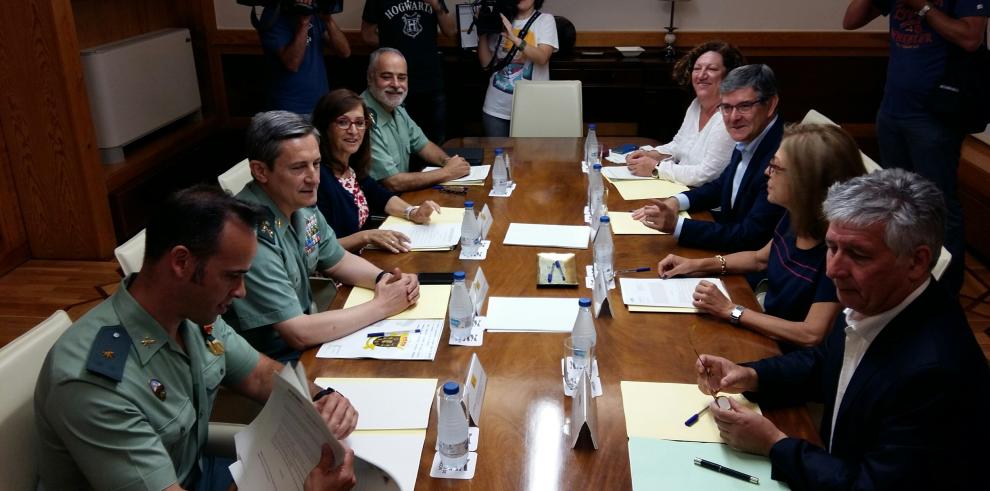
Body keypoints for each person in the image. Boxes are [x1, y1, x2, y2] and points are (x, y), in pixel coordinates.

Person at [34, 186, 358, 491]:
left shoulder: (190, 313)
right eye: (232, 276)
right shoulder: (96, 382)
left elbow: (259, 375)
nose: (242, 292)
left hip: (201, 471)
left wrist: (320, 398)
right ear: (181, 262)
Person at [695, 169, 989, 490]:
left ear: (917, 262)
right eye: (832, 247)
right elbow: (826, 362)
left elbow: (868, 484)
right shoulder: (876, 299)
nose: (833, 270)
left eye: (858, 255)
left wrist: (774, 444)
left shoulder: (936, 373)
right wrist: (752, 376)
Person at [226, 111, 420, 361]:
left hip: (311, 338)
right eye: (298, 167)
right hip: (272, 362)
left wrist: (386, 280)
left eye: (316, 164)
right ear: (261, 171)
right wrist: (382, 305)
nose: (314, 178)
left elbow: (338, 260)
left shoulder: (300, 202)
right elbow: (297, 332)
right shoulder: (248, 233)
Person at [658, 124, 866, 348]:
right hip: (762, 326)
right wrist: (696, 265)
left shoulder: (837, 249)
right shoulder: (796, 213)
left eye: (775, 166)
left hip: (784, 354)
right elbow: (760, 258)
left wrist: (731, 311)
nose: (767, 172)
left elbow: (811, 334)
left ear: (805, 181)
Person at [843, 0, 988, 294]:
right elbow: (851, 20)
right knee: (894, 201)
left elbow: (971, 38)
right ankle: (903, 281)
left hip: (935, 115)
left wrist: (922, 6)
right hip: (893, 108)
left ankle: (941, 293)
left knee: (937, 205)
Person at [632, 64, 786, 252]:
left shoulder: (782, 157)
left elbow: (751, 237)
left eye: (744, 106)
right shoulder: (752, 133)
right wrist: (676, 201)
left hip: (750, 266)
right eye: (727, 107)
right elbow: (721, 186)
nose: (733, 117)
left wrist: (677, 226)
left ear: (770, 104)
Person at [312, 88, 441, 253]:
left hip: (364, 260)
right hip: (339, 272)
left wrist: (413, 212)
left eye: (359, 123)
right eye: (343, 122)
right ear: (325, 127)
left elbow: (381, 197)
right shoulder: (318, 177)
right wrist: (366, 237)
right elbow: (319, 249)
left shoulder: (352, 168)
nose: (353, 131)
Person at [626, 41, 744, 186]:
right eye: (697, 68)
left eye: (712, 69)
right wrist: (651, 154)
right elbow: (679, 145)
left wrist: (655, 168)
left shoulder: (729, 116)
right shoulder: (696, 104)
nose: (701, 75)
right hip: (678, 187)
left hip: (704, 200)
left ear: (728, 76)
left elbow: (707, 175)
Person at [362, 48, 471, 192]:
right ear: (370, 78)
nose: (396, 84)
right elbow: (392, 182)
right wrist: (447, 172)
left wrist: (447, 161)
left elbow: (423, 145)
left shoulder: (396, 107)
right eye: (387, 77)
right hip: (377, 209)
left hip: (400, 201)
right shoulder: (361, 118)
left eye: (402, 78)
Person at [361, 0, 457, 144]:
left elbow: (451, 31)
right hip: (394, 85)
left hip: (431, 82)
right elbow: (367, 35)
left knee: (436, 141)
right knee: (399, 142)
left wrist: (437, 7)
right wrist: (392, 48)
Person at [477, 0, 559, 137]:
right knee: (497, 157)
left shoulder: (545, 20)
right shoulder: (500, 20)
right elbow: (486, 63)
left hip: (531, 110)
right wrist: (482, 32)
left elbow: (542, 57)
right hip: (495, 109)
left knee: (528, 157)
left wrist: (515, 39)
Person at [257, 0, 351, 115]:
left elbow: (344, 52)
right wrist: (304, 23)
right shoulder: (273, 16)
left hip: (320, 106)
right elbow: (293, 64)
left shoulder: (315, 14)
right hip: (289, 109)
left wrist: (327, 19)